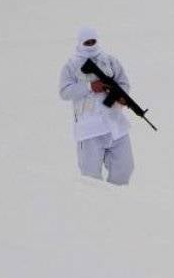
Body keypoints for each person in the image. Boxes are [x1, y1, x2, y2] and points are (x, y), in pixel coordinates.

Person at [58, 26, 135, 185]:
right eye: (87, 42)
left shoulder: (110, 60)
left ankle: (117, 202)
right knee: (90, 177)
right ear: (80, 43)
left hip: (115, 124)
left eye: (93, 41)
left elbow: (123, 83)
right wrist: (89, 87)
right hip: (89, 128)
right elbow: (65, 91)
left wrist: (120, 97)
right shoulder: (71, 65)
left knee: (124, 169)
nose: (91, 44)